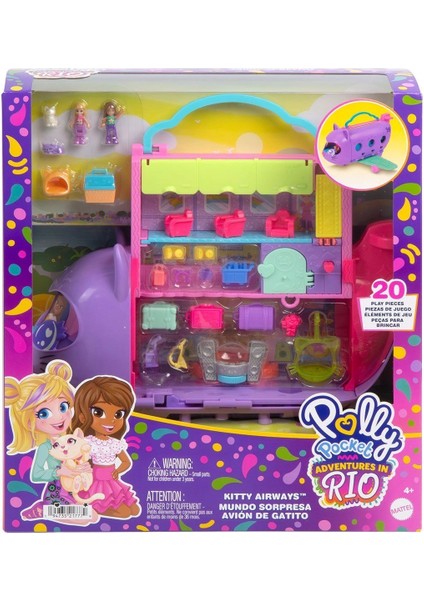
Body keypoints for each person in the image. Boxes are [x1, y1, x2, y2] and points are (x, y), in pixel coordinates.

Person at [5, 360, 97, 523]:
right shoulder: (46, 447)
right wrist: (59, 472)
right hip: (57, 492)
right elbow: (36, 475)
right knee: (88, 518)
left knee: (93, 516)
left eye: (63, 407)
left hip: (76, 488)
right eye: (44, 414)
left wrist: (84, 466)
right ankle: (43, 509)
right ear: (29, 422)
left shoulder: (71, 439)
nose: (60, 416)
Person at [71, 376, 141, 518]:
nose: (111, 420)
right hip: (96, 482)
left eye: (118, 414)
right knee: (124, 513)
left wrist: (118, 471)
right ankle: (94, 508)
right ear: (83, 417)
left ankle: (98, 507)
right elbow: (79, 460)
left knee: (135, 510)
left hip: (112, 481)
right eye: (99, 413)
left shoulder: (115, 443)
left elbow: (126, 461)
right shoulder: (88, 442)